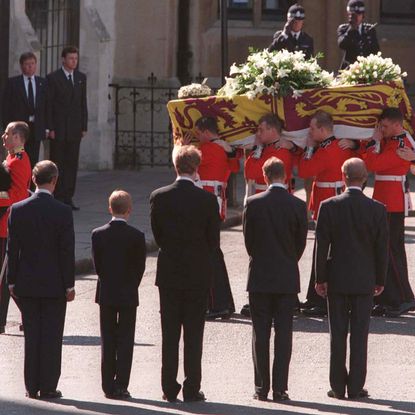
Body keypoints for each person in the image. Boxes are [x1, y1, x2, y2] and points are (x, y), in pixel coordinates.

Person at [150, 145, 220, 403]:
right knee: (194, 334)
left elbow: (158, 235)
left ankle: (169, 387)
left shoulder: (159, 196)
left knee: (169, 334)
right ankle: (192, 388)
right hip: (197, 273)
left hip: (169, 271)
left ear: (176, 166)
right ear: (196, 168)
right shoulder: (207, 199)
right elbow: (213, 241)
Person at [315, 158, 388, 399]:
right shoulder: (377, 208)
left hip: (337, 277)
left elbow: (321, 246)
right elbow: (381, 249)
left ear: (343, 176)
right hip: (364, 278)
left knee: (337, 334)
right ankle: (356, 386)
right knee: (360, 334)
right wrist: (380, 279)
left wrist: (320, 278)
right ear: (365, 177)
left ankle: (337, 386)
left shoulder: (329, 206)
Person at [7, 160, 75, 399]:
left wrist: (11, 281)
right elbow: (67, 251)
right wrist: (69, 284)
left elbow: (12, 250)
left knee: (32, 335)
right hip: (55, 283)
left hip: (26, 282)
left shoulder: (18, 209)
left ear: (33, 180)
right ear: (54, 180)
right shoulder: (63, 211)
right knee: (52, 336)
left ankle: (31, 385)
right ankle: (48, 385)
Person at [243, 157, 307, 402]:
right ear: (287, 176)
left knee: (260, 333)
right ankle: (280, 388)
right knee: (284, 333)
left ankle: (261, 388)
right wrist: (289, 260)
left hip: (260, 274)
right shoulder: (297, 205)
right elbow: (300, 243)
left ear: (264, 175)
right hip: (286, 275)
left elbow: (249, 242)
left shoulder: (253, 203)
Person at [298, 111, 356, 317]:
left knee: (322, 253)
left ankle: (320, 299)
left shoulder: (325, 150)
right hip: (332, 198)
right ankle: (318, 297)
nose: (310, 132)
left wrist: (308, 149)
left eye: (312, 128)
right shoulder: (341, 145)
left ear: (322, 130)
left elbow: (304, 170)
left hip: (327, 201)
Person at [92, 190, 146, 400]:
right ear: (129, 210)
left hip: (106, 292)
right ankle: (121, 384)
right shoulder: (136, 236)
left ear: (109, 208)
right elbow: (139, 267)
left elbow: (98, 265)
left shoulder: (98, 234)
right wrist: (132, 285)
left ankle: (107, 385)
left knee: (107, 338)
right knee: (125, 339)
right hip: (128, 292)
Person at [182, 116, 237, 319]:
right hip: (214, 203)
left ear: (205, 132)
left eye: (198, 133)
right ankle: (222, 302)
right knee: (213, 252)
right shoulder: (223, 148)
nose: (197, 138)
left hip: (204, 205)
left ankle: (216, 303)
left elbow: (183, 165)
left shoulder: (207, 149)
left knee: (209, 255)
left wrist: (181, 147)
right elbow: (234, 167)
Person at [364, 107, 415, 317]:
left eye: (384, 126)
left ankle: (403, 297)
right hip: (385, 198)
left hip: (391, 201)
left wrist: (374, 141)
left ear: (397, 124)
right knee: (384, 250)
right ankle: (388, 297)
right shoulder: (392, 140)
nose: (381, 130)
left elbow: (371, 163)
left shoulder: (402, 144)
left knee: (391, 251)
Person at [0, 122, 32, 335]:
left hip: (8, 224)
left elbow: (17, 196)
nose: (4, 136)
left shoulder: (19, 161)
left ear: (19, 139)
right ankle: (29, 316)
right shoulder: (12, 157)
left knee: (4, 277)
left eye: (9, 134)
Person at [47, 46, 88, 211]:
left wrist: (84, 125)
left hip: (74, 128)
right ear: (63, 59)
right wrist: (50, 127)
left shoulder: (80, 78)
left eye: (76, 59)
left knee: (71, 163)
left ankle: (68, 196)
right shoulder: (53, 78)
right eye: (71, 58)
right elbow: (49, 104)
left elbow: (82, 103)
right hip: (58, 128)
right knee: (58, 162)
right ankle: (57, 195)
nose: (74, 61)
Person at [1, 52, 48, 169]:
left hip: (36, 128)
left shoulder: (42, 83)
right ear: (21, 66)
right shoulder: (13, 83)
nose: (30, 66)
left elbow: (47, 106)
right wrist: (9, 128)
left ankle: (30, 186)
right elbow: (6, 107)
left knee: (33, 160)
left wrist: (47, 127)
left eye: (32, 63)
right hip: (19, 130)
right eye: (27, 64)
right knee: (18, 158)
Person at [338, 0, 380, 70]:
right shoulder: (344, 29)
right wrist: (351, 29)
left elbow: (376, 51)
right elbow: (342, 45)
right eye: (352, 15)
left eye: (358, 15)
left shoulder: (369, 29)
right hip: (349, 69)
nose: (356, 18)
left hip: (366, 69)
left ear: (362, 15)